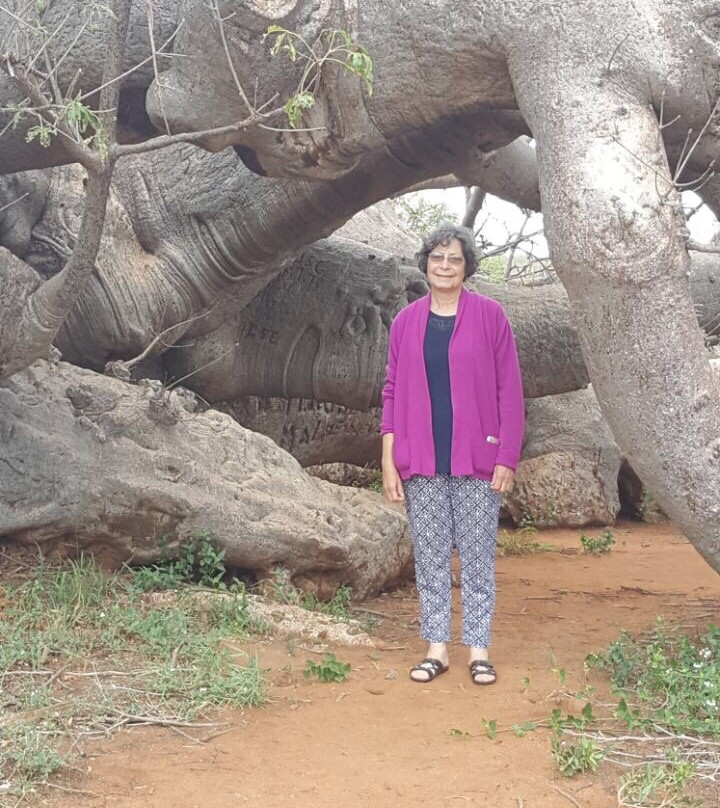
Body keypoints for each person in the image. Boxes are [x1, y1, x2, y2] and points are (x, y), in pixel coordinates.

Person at [381, 223, 524, 685]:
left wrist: (507, 456)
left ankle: (478, 650)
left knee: (478, 557)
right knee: (430, 557)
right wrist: (388, 459)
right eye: (438, 257)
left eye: (454, 259)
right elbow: (391, 392)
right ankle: (437, 649)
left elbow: (510, 391)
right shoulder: (405, 323)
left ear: (467, 267)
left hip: (478, 459)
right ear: (426, 263)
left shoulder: (490, 316)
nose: (445, 266)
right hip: (420, 458)